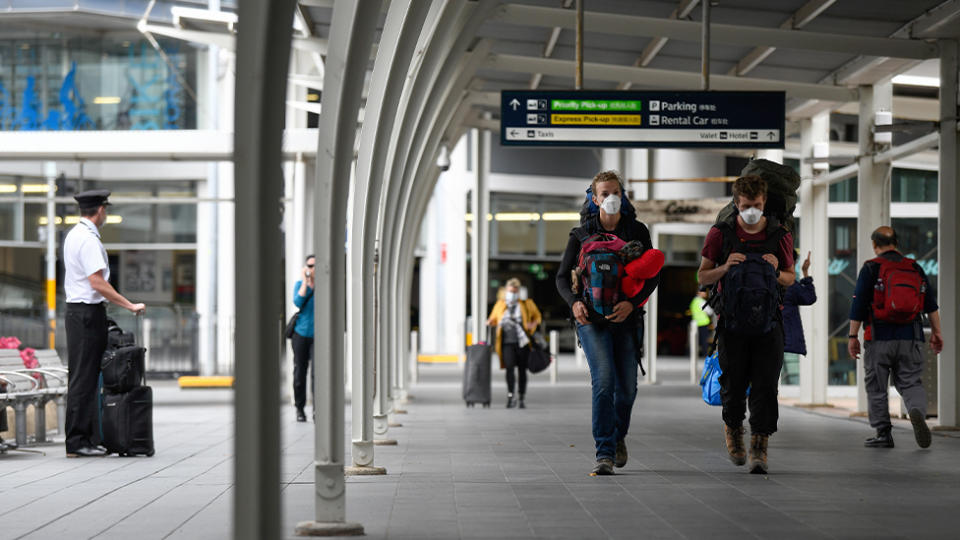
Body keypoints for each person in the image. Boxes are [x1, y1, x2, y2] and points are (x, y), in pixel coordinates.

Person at [556, 170, 660, 476]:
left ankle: (617, 438)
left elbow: (651, 274)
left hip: (626, 320)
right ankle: (604, 452)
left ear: (622, 195)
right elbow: (562, 277)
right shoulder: (581, 235)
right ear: (594, 197)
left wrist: (633, 303)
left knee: (626, 390)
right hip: (591, 319)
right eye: (604, 193)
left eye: (615, 192)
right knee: (603, 382)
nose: (611, 198)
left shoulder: (637, 231)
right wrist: (574, 303)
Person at [698, 175, 795, 474]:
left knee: (766, 385)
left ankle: (760, 445)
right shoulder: (721, 234)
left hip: (769, 323)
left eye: (756, 205)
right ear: (736, 204)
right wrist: (726, 267)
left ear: (764, 202)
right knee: (734, 383)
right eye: (745, 205)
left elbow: (790, 279)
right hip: (732, 323)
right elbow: (703, 276)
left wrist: (776, 270)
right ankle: (733, 429)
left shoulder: (780, 236)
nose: (751, 210)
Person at [63, 189, 145, 458]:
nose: (106, 214)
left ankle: (84, 438)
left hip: (82, 313)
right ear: (100, 210)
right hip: (86, 314)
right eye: (106, 210)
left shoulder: (76, 235)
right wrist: (129, 305)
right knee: (84, 379)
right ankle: (77, 441)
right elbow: (96, 282)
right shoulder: (87, 240)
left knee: (83, 377)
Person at [848, 226, 943, 449]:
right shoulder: (915, 268)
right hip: (911, 336)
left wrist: (853, 335)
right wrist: (937, 333)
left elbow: (858, 304)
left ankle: (883, 433)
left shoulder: (871, 268)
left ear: (874, 245)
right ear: (896, 243)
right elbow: (931, 306)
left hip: (879, 336)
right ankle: (917, 411)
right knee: (911, 382)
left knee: (877, 386)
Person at [486, 278, 541, 409]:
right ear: (506, 291)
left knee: (522, 370)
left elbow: (537, 317)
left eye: (515, 291)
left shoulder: (527, 304)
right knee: (509, 368)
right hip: (506, 343)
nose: (513, 293)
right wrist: (490, 322)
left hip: (523, 342)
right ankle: (511, 396)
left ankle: (521, 396)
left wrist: (531, 324)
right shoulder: (500, 304)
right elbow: (493, 318)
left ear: (518, 291)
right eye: (510, 291)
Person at [781, 251, 817, 384]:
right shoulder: (790, 285)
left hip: (765, 337)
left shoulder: (764, 280)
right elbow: (809, 297)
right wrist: (805, 272)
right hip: (787, 339)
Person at [291, 255, 316, 422]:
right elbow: (298, 301)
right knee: (300, 372)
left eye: (315, 266)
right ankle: (300, 408)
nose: (312, 268)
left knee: (318, 374)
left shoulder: (324, 286)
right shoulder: (300, 285)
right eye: (309, 265)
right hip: (300, 334)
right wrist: (305, 282)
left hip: (318, 335)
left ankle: (318, 409)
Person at [689, 290, 713, 356]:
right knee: (704, 340)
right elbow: (710, 312)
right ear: (699, 293)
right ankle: (705, 355)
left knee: (696, 340)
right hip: (703, 323)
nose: (705, 293)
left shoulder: (693, 301)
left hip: (696, 323)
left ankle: (694, 354)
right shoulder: (702, 302)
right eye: (704, 291)